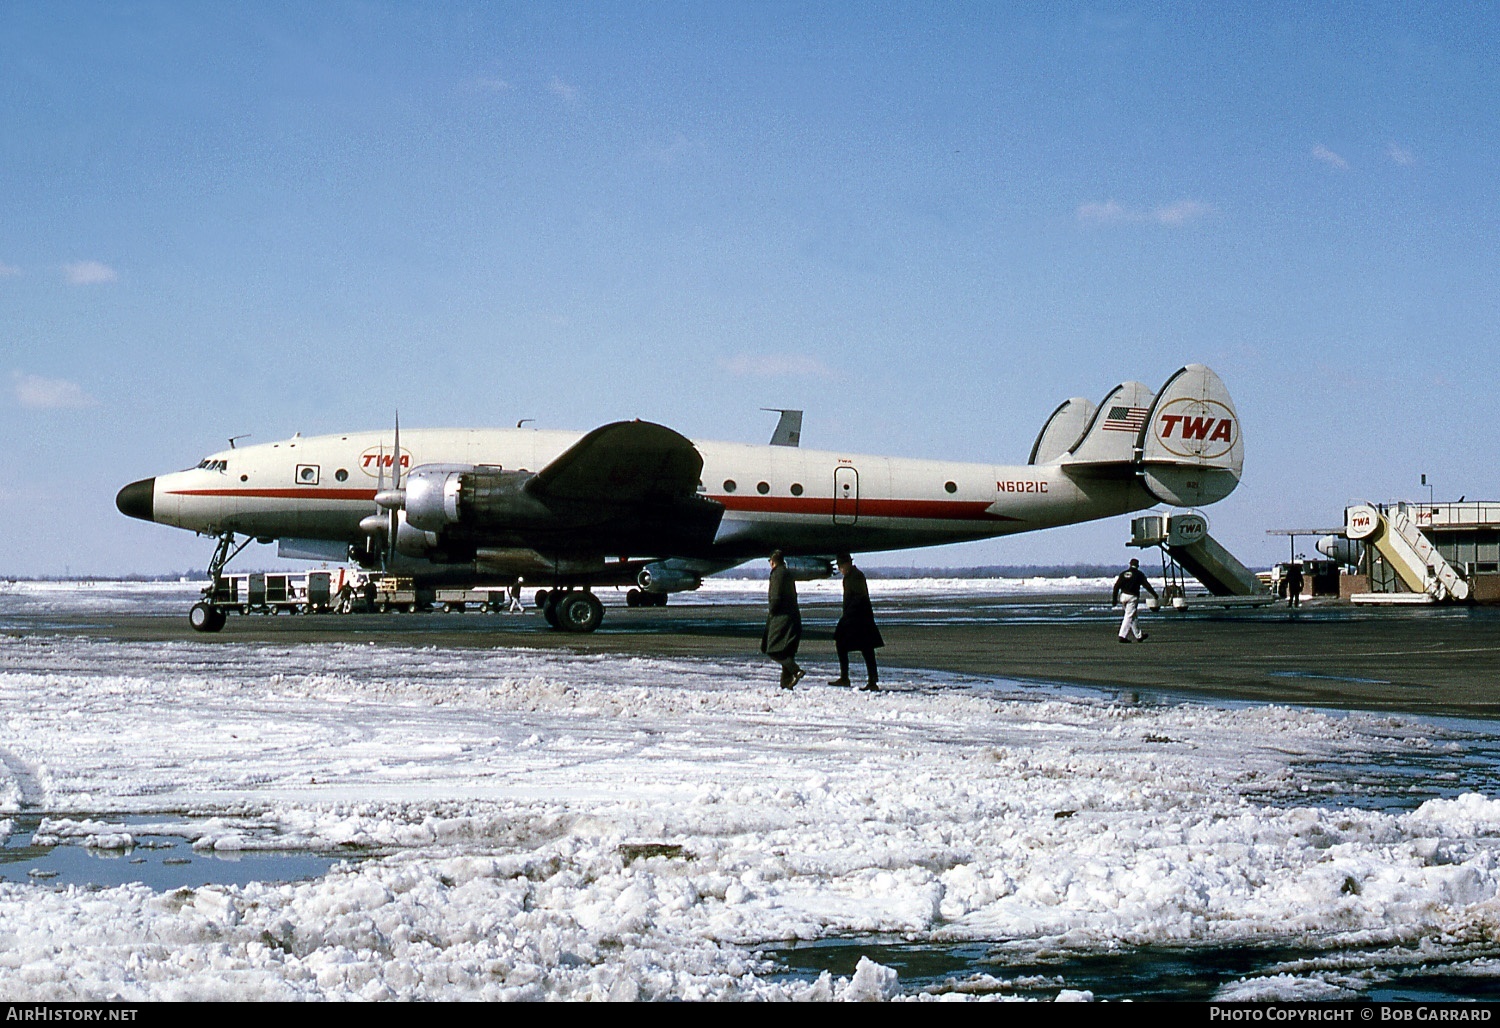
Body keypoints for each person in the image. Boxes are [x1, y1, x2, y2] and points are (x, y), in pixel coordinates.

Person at [829, 553, 883, 691]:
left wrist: (849, 614)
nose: (840, 569)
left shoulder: (856, 576)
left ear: (847, 564)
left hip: (859, 618)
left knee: (865, 649)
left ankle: (870, 681)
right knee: (846, 645)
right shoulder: (850, 577)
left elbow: (860, 597)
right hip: (854, 616)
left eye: (841, 566)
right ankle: (846, 677)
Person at [760, 550, 805, 689]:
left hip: (782, 617)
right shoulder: (787, 573)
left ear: (772, 562)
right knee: (787, 651)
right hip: (792, 616)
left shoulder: (777, 574)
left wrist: (772, 611)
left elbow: (775, 596)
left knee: (773, 649)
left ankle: (795, 670)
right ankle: (786, 683)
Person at [1112, 557, 1158, 643]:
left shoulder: (1123, 574)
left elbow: (1116, 586)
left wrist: (1114, 599)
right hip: (1132, 597)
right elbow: (1146, 585)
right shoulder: (1139, 574)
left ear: (1130, 564)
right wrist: (1154, 594)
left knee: (1133, 616)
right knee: (1129, 616)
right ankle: (1122, 635)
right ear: (1138, 565)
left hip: (1123, 596)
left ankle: (1139, 635)